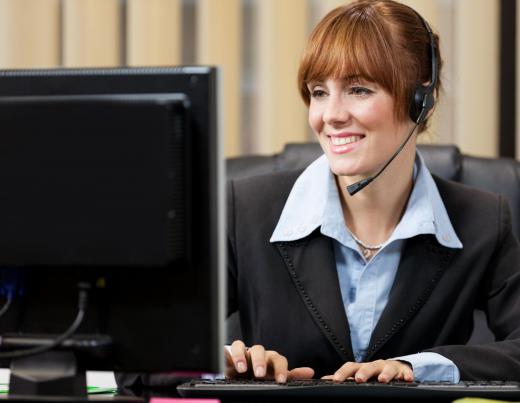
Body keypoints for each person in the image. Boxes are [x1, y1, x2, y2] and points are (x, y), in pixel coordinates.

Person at [226, 0, 520, 384]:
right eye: (318, 92)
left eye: (359, 90)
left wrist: (420, 367)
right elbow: (147, 357)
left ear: (421, 99)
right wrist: (224, 364)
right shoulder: (245, 210)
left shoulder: (482, 220)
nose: (330, 115)